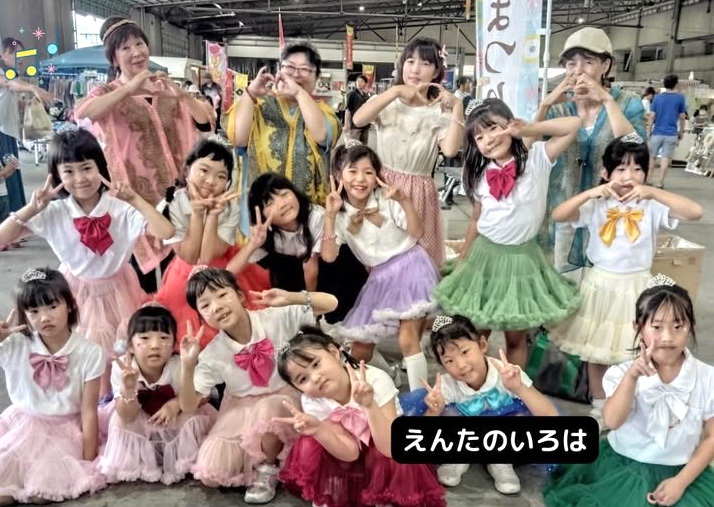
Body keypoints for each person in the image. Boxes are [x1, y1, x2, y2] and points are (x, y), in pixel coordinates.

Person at [0, 129, 175, 396]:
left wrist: (135, 199)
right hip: (74, 292)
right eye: (68, 171)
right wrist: (32, 208)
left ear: (101, 168)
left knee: (121, 352)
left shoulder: (119, 208)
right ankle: (89, 404)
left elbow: (166, 231)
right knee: (80, 355)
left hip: (120, 289)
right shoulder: (54, 212)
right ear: (56, 175)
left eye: (86, 168)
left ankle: (117, 403)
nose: (80, 179)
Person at [547, 135, 703, 430]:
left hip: (638, 287)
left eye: (637, 169)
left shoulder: (651, 205)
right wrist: (592, 192)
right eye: (621, 169)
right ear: (606, 173)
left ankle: (636, 403)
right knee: (597, 352)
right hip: (600, 286)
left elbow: (696, 212)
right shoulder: (597, 204)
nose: (629, 176)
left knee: (640, 349)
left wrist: (653, 192)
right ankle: (600, 407)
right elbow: (559, 215)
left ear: (646, 173)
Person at [433, 99, 582, 368]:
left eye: (493, 128)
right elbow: (476, 218)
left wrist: (528, 129)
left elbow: (573, 125)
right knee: (476, 333)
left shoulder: (537, 158)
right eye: (479, 137)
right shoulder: (480, 173)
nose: (488, 139)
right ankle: (477, 380)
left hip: (522, 262)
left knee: (516, 337)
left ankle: (515, 385)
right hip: (484, 259)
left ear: (510, 124)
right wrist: (464, 257)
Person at [543, 277, 714, 507]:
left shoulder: (707, 377)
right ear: (638, 327)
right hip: (622, 468)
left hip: (683, 472)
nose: (667, 337)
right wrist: (632, 378)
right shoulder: (622, 373)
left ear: (691, 326)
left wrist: (681, 482)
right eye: (656, 327)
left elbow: (712, 437)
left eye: (678, 326)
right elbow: (612, 421)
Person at [75, 17, 214, 294]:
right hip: (136, 196)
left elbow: (205, 122)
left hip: (179, 191)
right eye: (125, 48)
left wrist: (182, 95)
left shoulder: (166, 89)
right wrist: (129, 88)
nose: (136, 52)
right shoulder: (106, 92)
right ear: (114, 59)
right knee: (145, 277)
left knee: (184, 267)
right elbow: (83, 114)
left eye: (139, 44)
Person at [178, 267, 338, 504]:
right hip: (241, 409)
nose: (217, 307)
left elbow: (331, 303)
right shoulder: (213, 353)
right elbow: (188, 405)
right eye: (205, 305)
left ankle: (268, 467)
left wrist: (291, 297)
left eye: (222, 295)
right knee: (213, 468)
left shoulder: (274, 318)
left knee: (269, 410)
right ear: (201, 316)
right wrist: (187, 365)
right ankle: (262, 460)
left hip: (286, 398)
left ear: (239, 296)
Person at [275, 327, 446, 507]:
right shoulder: (312, 401)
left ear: (334, 352)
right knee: (309, 441)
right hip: (349, 454)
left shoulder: (376, 379)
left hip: (386, 444)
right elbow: (350, 453)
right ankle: (339, 491)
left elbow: (390, 448)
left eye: (316, 364)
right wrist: (319, 430)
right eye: (303, 379)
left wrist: (369, 405)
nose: (315, 378)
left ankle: (386, 492)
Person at [322, 142, 440, 391]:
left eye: (368, 172)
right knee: (359, 349)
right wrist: (330, 216)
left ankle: (422, 399)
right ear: (338, 175)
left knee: (407, 339)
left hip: (411, 267)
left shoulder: (387, 201)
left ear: (377, 176)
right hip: (379, 279)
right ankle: (380, 383)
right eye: (353, 171)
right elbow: (329, 256)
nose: (360, 179)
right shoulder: (340, 215)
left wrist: (404, 200)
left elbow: (417, 232)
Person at [400, 315, 558, 493]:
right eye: (449, 361)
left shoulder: (507, 374)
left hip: (502, 437)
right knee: (445, 413)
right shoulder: (447, 384)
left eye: (465, 352)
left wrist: (519, 388)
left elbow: (549, 414)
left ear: (482, 345)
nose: (461, 365)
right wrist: (434, 411)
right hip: (464, 436)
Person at [535, 27, 646, 275]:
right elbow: (529, 146)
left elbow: (636, 147)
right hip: (563, 208)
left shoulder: (627, 102)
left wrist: (607, 100)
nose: (578, 70)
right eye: (571, 63)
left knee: (603, 279)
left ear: (605, 65)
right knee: (561, 280)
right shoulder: (559, 108)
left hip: (609, 211)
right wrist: (545, 105)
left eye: (588, 62)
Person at [352, 37, 464, 268]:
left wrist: (457, 108)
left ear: (436, 71)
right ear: (401, 65)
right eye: (410, 61)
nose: (415, 69)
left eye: (425, 63)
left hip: (419, 191)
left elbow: (451, 149)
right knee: (381, 253)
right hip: (384, 185)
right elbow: (358, 119)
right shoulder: (387, 101)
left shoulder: (438, 110)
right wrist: (394, 92)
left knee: (416, 258)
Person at [0, 267, 106, 503]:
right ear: (24, 315)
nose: (44, 317)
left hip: (64, 429)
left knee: (43, 493)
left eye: (52, 306)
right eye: (34, 311)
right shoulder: (15, 345)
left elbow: (89, 410)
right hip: (23, 425)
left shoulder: (90, 352)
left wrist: (88, 462)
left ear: (70, 305)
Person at [153, 137, 270, 350]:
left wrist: (214, 215)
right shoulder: (172, 204)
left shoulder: (229, 206)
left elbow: (207, 257)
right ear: (187, 170)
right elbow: (190, 256)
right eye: (204, 170)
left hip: (224, 267)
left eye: (221, 176)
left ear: (228, 182)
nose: (210, 181)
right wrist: (197, 214)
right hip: (185, 272)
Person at [227, 172, 367, 324]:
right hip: (299, 281)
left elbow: (311, 270)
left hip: (336, 277)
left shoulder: (316, 216)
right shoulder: (266, 232)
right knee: (280, 266)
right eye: (270, 203)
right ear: (260, 214)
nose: (282, 204)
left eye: (284, 194)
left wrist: (311, 312)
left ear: (295, 193)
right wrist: (253, 243)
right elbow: (229, 271)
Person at [99, 305, 217, 485]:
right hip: (138, 416)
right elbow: (127, 415)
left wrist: (175, 404)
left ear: (173, 345)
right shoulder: (123, 367)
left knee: (191, 415)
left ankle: (182, 460)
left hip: (174, 417)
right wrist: (129, 388)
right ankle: (141, 462)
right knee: (120, 421)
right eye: (145, 338)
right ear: (130, 346)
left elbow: (202, 397)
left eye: (163, 338)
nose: (155, 345)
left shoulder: (178, 364)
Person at [228, 43, 341, 215]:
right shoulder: (256, 106)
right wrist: (250, 93)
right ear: (279, 71)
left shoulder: (322, 111)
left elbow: (323, 136)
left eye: (305, 69)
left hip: (308, 212)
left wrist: (298, 92)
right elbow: (238, 139)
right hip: (261, 210)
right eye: (289, 67)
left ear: (317, 77)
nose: (296, 74)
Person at [0, 38, 54, 214]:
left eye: (22, 53)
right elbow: (8, 84)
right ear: (3, 54)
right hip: (2, 133)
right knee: (6, 180)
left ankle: (16, 218)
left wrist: (30, 104)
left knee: (13, 176)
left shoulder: (12, 76)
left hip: (8, 133)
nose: (20, 58)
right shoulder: (4, 76)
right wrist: (33, 88)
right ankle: (8, 223)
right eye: (15, 54)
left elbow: (11, 102)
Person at [649, 74, 687, 188]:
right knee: (665, 158)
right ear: (676, 84)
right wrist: (681, 131)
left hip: (657, 132)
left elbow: (652, 116)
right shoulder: (680, 98)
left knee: (652, 157)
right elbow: (682, 117)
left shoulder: (657, 97)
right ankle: (660, 182)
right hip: (671, 133)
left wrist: (648, 130)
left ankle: (648, 179)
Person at [344, 74, 372, 144]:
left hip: (365, 125)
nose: (359, 83)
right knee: (354, 145)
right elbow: (348, 110)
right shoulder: (352, 94)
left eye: (361, 81)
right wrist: (346, 125)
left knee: (364, 146)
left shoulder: (366, 95)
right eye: (357, 81)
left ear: (365, 84)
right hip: (355, 125)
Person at [0, 155, 19, 250]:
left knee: (5, 217)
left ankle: (7, 237)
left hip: (3, 193)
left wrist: (12, 168)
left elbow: (4, 175)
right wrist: (6, 169)